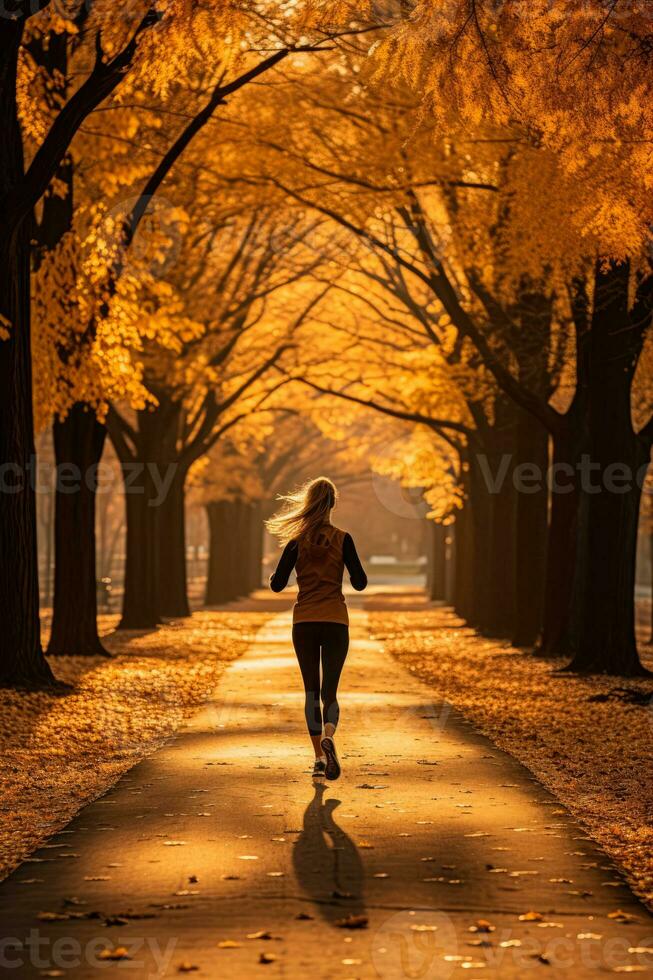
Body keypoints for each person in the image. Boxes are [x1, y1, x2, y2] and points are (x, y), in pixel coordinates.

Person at [267, 477, 367, 780]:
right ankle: (329, 734)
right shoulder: (343, 538)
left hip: (305, 622)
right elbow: (360, 582)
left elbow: (277, 585)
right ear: (333, 504)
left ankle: (319, 760)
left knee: (311, 691)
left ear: (308, 503)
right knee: (330, 691)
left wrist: (282, 570)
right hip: (336, 620)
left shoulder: (296, 543)